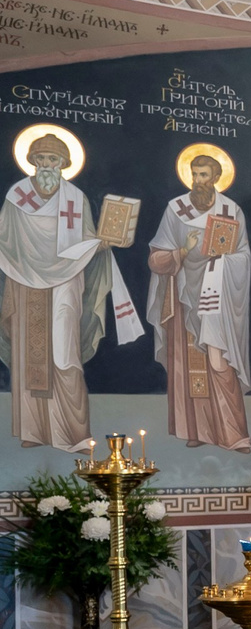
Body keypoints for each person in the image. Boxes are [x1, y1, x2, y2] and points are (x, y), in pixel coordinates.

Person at [0, 130, 142, 448]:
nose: (47, 164)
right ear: (32, 161)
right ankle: (34, 432)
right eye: (41, 158)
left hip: (65, 284)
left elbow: (88, 240)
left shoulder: (75, 199)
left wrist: (103, 244)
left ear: (64, 163)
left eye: (53, 158)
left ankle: (74, 431)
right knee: (30, 357)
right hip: (26, 285)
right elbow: (3, 240)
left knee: (65, 355)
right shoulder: (16, 196)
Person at [145, 146, 251, 451]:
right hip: (183, 299)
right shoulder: (176, 209)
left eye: (204, 175)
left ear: (216, 177)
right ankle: (196, 429)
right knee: (187, 364)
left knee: (219, 360)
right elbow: (156, 259)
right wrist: (181, 252)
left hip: (217, 298)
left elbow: (244, 257)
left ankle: (233, 433)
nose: (198, 180)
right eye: (194, 174)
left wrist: (224, 260)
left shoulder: (231, 211)